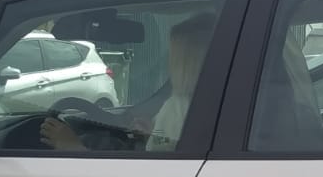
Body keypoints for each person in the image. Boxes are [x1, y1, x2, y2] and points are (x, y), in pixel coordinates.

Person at [41, 11, 215, 153]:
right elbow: (172, 145)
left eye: (173, 56)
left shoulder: (178, 107)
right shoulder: (209, 105)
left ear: (184, 63)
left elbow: (153, 169)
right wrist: (152, 135)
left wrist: (73, 147)